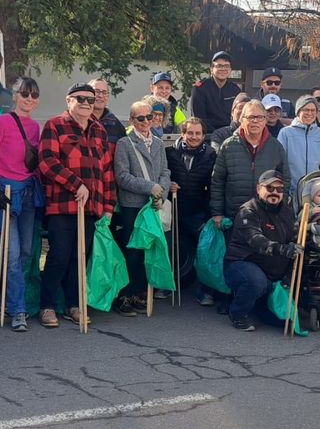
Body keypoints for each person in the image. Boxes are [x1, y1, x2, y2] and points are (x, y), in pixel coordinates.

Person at [38, 83, 117, 328]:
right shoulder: (55, 125)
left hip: (91, 207)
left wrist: (108, 206)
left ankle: (73, 305)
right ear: (68, 100)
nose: (85, 103)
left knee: (79, 258)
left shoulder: (99, 130)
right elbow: (46, 162)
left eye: (90, 100)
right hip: (62, 206)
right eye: (80, 98)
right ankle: (47, 306)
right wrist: (76, 184)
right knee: (59, 255)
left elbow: (106, 170)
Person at [0, 76, 43, 332]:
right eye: (24, 94)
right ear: (15, 96)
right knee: (13, 255)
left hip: (28, 194)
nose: (29, 99)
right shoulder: (2, 122)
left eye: (33, 95)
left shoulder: (36, 128)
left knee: (27, 251)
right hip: (6, 193)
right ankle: (18, 310)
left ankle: (11, 301)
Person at [111, 99, 173, 315]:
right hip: (133, 206)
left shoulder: (158, 142)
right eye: (141, 118)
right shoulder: (124, 144)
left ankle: (138, 293)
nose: (146, 121)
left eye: (150, 117)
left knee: (149, 251)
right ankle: (123, 296)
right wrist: (151, 187)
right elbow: (122, 177)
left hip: (154, 204)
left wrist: (161, 192)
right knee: (132, 251)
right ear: (132, 120)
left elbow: (165, 171)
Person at [223, 171, 301, 331]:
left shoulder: (286, 211)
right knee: (255, 281)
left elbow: (295, 236)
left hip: (274, 271)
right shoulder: (248, 211)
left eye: (279, 189)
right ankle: (237, 313)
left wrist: (296, 245)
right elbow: (256, 240)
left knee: (284, 320)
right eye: (270, 187)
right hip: (243, 263)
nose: (275, 192)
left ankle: (260, 306)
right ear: (259, 188)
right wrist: (282, 249)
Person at [210, 100, 287, 228]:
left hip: (266, 216)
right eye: (250, 117)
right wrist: (217, 212)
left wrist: (278, 208)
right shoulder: (228, 146)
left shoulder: (276, 147)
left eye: (259, 117)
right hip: (234, 216)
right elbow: (217, 181)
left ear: (265, 120)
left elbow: (286, 179)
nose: (255, 121)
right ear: (242, 120)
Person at [166, 117, 216, 306]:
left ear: (203, 135)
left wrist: (209, 212)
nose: (194, 137)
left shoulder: (212, 155)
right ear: (183, 134)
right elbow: (162, 174)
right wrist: (167, 184)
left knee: (204, 251)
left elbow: (214, 186)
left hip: (198, 211)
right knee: (169, 248)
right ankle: (165, 285)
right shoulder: (169, 153)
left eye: (198, 133)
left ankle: (205, 291)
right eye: (190, 133)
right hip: (173, 208)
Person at [278, 96, 320, 196]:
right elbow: (280, 163)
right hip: (291, 192)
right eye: (306, 110)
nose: (310, 113)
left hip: (315, 193)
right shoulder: (285, 133)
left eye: (313, 110)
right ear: (298, 111)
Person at [190, 51, 242, 131]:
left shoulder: (235, 90)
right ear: (211, 69)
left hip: (231, 133)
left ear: (230, 70)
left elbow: (239, 117)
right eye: (219, 66)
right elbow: (198, 119)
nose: (223, 69)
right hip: (207, 135)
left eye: (226, 66)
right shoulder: (200, 89)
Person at [90, 78, 127, 145]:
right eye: (97, 91)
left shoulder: (116, 125)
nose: (101, 96)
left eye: (104, 92)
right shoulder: (81, 120)